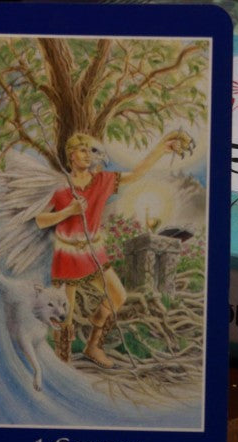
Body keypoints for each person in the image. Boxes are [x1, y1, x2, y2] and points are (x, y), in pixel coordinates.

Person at [35, 130, 190, 367]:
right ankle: (62, 363)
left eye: (90, 150)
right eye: (82, 150)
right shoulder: (60, 186)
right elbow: (39, 219)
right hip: (67, 256)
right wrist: (68, 212)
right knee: (64, 313)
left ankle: (93, 345)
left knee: (118, 296)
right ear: (71, 156)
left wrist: (161, 148)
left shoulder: (102, 181)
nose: (87, 155)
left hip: (94, 253)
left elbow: (136, 174)